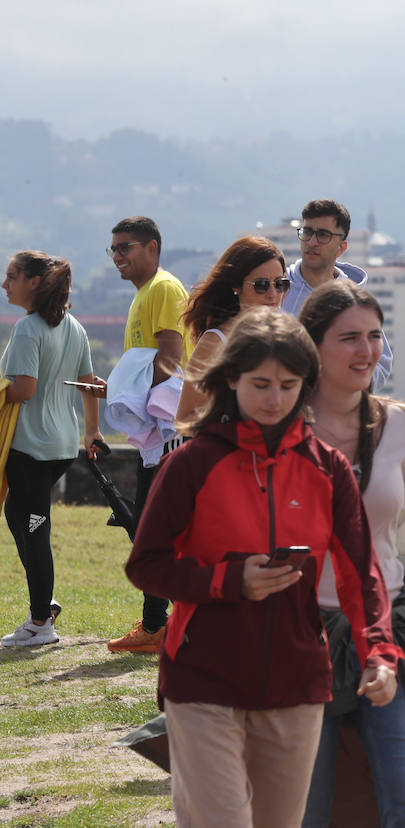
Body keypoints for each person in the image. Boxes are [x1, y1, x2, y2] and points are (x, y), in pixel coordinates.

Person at [125, 307, 401, 828]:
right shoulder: (190, 463)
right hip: (202, 680)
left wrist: (379, 653)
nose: (275, 399)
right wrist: (228, 581)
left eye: (289, 385)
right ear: (231, 380)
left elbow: (360, 575)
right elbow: (147, 565)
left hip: (296, 683)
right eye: (261, 384)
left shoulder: (328, 468)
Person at [299, 281, 405, 827]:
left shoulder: (403, 427)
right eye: (349, 338)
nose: (366, 351)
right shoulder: (279, 428)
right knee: (301, 811)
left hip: (389, 633)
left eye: (375, 336)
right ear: (312, 346)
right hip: (298, 633)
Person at [0, 251, 102, 648]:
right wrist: (91, 431)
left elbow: (24, 389)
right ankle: (45, 600)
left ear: (35, 282)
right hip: (61, 445)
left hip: (32, 447)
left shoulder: (28, 328)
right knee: (18, 514)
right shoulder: (74, 326)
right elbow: (90, 383)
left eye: (12, 276)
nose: (5, 284)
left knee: (34, 528)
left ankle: (41, 622)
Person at [107, 216, 193, 653]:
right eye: (114, 249)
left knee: (154, 528)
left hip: (168, 431)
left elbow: (171, 356)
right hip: (157, 432)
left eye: (126, 247)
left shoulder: (163, 287)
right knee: (149, 528)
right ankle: (160, 622)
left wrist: (153, 418)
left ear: (152, 248)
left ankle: (173, 621)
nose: (118, 255)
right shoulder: (146, 292)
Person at [176, 236, 289, 424]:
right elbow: (185, 417)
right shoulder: (215, 343)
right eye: (261, 285)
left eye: (280, 284)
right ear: (236, 286)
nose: (273, 294)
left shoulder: (285, 337)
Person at [280, 199, 392, 389]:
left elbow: (381, 366)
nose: (312, 242)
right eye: (307, 232)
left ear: (341, 247)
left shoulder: (355, 300)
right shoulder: (276, 288)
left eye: (323, 235)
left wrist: (339, 386)